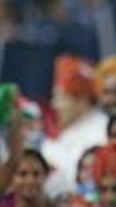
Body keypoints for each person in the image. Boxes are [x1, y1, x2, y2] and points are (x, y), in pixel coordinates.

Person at [42, 56, 106, 192]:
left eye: (61, 98)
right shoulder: (57, 135)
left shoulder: (102, 130)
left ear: (82, 100)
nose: (54, 105)